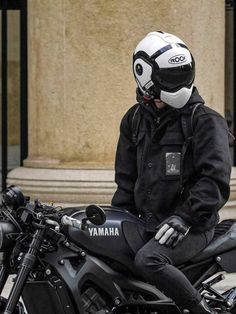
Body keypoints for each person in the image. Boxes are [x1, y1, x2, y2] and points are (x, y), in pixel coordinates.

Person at [111, 31, 232, 314]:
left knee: (149, 261)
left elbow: (214, 181)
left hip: (192, 226)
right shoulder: (133, 120)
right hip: (146, 222)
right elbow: (125, 182)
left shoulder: (205, 121)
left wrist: (184, 217)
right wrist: (115, 221)